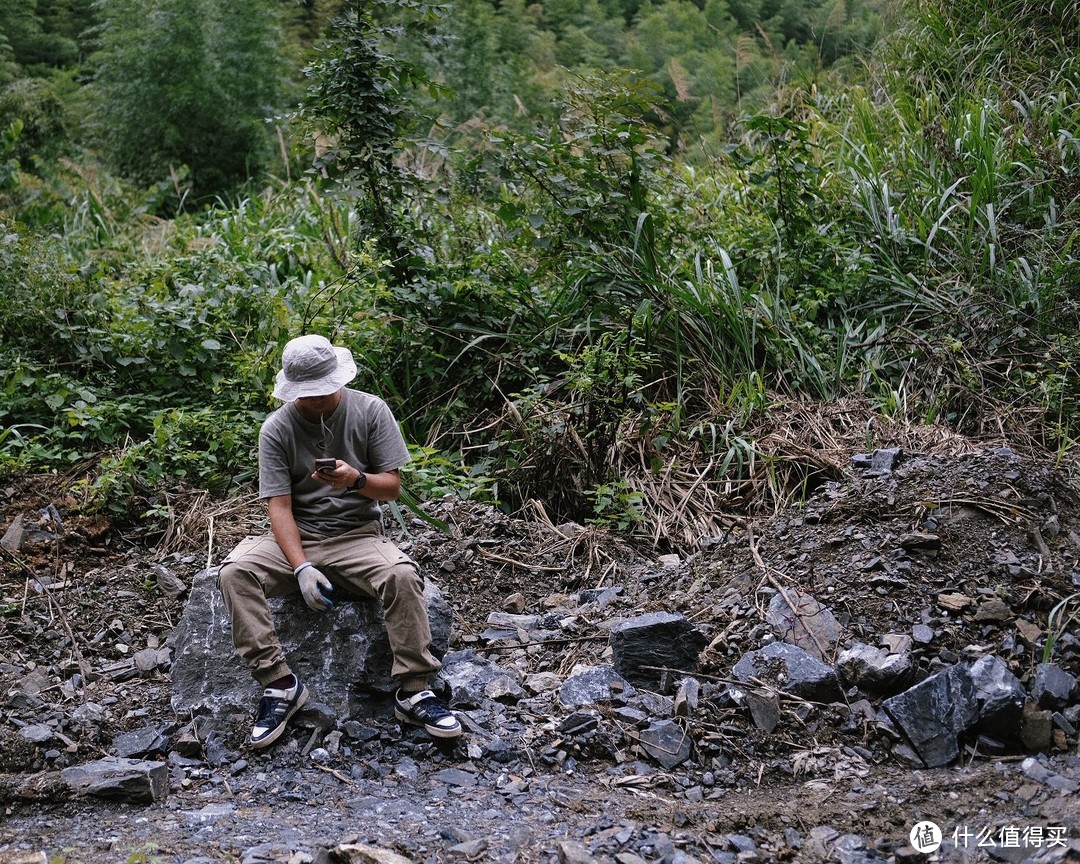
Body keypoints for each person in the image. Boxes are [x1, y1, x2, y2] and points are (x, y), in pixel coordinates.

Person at [217, 334, 461, 748]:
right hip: (296, 536)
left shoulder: (369, 410)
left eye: (322, 391)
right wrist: (301, 567)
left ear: (338, 380)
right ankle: (280, 684)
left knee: (401, 575)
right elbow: (279, 506)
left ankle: (415, 688)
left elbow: (392, 489)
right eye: (306, 395)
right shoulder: (276, 429)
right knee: (235, 571)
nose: (315, 400)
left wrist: (355, 480)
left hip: (357, 534)